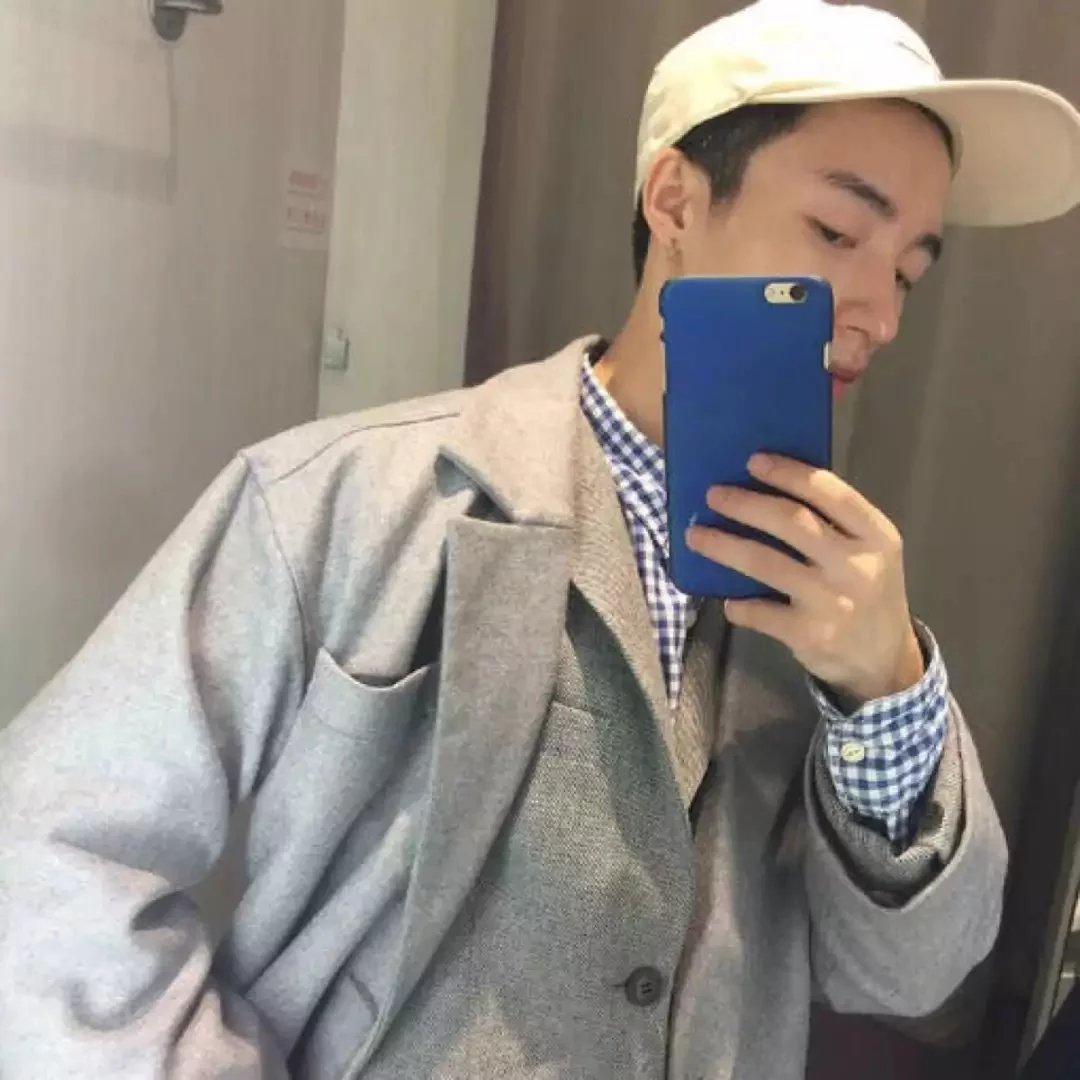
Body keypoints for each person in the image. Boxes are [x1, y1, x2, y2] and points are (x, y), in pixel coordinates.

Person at [2, 1, 1079, 1077]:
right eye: (838, 234)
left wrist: (886, 693)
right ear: (675, 200)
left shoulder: (840, 599)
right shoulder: (342, 499)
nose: (879, 314)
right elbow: (48, 855)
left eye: (908, 270)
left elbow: (910, 978)